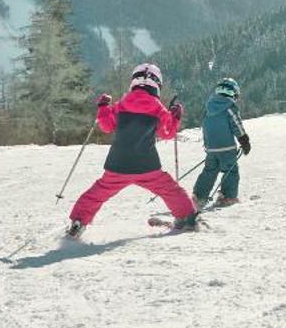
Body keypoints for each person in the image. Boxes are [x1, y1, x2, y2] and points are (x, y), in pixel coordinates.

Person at [65, 62, 199, 237]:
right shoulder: (158, 108)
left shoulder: (122, 104)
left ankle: (78, 221)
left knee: (97, 193)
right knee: (170, 190)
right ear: (157, 84)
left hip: (118, 165)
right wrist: (176, 116)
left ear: (134, 82)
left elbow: (106, 126)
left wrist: (103, 107)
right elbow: (167, 133)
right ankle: (187, 217)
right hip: (147, 166)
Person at [191, 77, 252, 208]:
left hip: (212, 149)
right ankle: (227, 197)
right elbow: (237, 125)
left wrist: (208, 146)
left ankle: (198, 196)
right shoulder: (230, 107)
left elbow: (206, 127)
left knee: (209, 171)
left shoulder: (208, 108)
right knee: (231, 171)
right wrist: (244, 140)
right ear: (233, 93)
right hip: (227, 148)